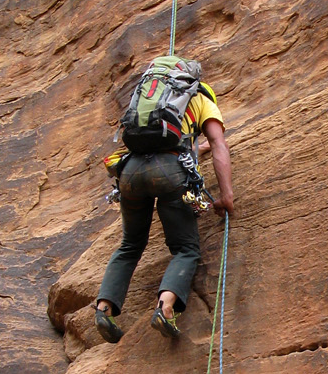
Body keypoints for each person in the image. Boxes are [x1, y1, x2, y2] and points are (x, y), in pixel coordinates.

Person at [94, 69, 234, 342]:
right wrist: (226, 195)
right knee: (186, 249)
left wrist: (198, 150)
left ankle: (104, 309)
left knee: (130, 245)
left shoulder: (150, 100)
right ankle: (165, 308)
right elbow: (219, 144)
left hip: (130, 171)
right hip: (169, 173)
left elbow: (179, 144)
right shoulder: (200, 100)